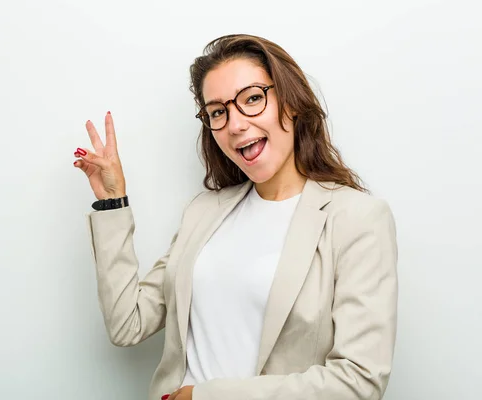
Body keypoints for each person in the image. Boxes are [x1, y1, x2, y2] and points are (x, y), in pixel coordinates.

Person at [73, 34, 398, 400]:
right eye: (217, 112)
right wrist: (113, 202)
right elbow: (127, 325)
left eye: (253, 99)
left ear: (290, 102)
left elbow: (359, 381)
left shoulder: (357, 218)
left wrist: (204, 397)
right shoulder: (204, 212)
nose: (235, 124)